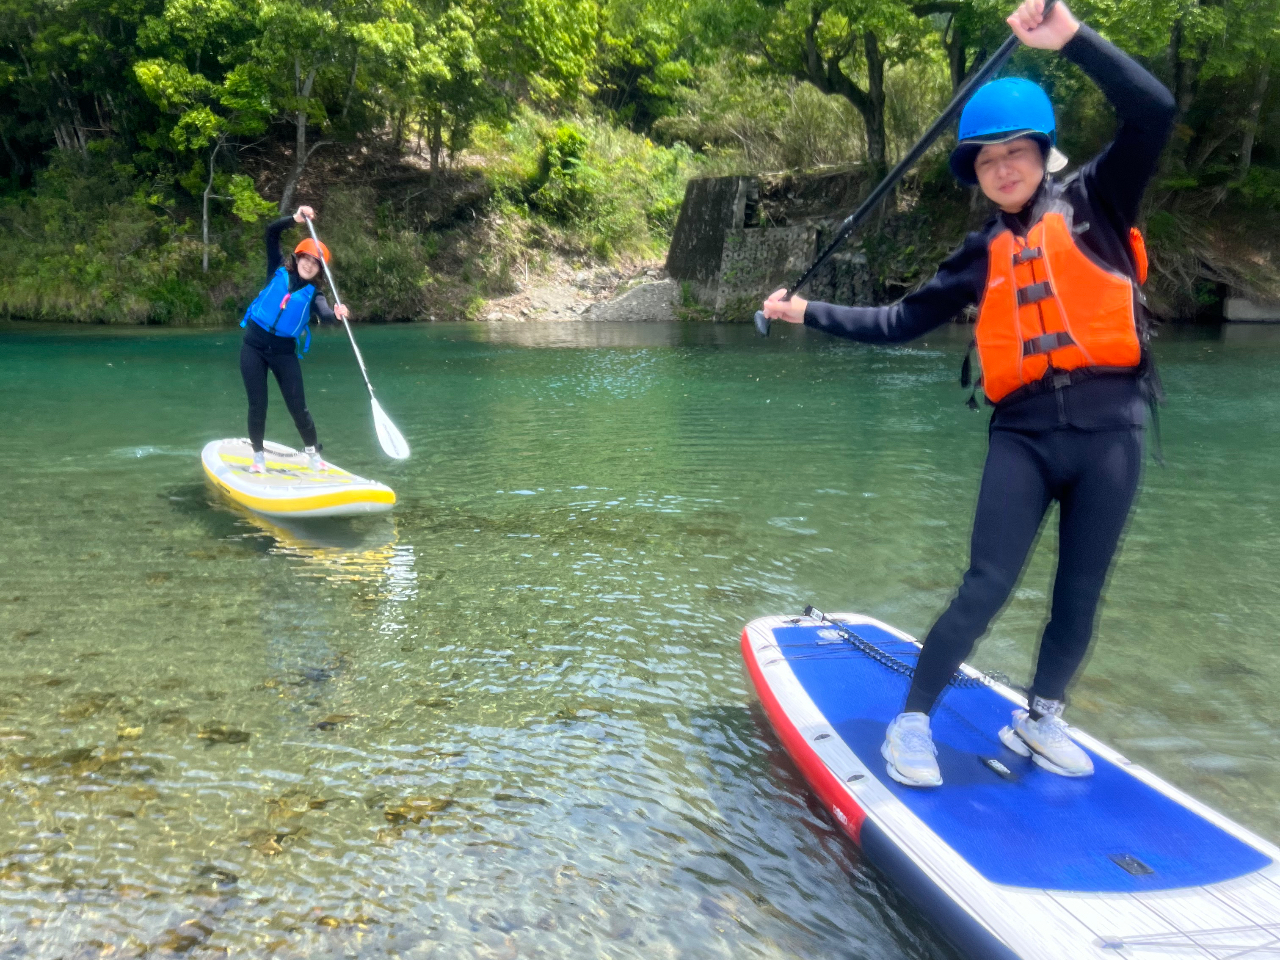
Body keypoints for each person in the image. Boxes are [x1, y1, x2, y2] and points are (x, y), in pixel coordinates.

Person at [760, 0, 1175, 787]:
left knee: (1080, 596)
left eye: (1017, 152)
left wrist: (1072, 39)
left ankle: (1041, 715)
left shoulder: (1099, 202)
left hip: (1113, 431)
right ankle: (911, 721)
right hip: (1022, 437)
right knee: (986, 584)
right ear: (975, 176)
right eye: (987, 160)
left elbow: (1153, 109)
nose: (1004, 167)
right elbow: (897, 321)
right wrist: (805, 309)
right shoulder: (979, 253)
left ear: (1044, 155)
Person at [239, 205, 350, 474]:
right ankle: (258, 458)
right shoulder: (276, 268)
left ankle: (313, 455)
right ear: (297, 257)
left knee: (298, 407)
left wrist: (338, 314)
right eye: (306, 259)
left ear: (319, 270)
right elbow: (270, 232)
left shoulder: (316, 295)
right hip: (253, 345)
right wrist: (295, 219)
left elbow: (326, 315)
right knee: (258, 404)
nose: (309, 265)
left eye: (315, 263)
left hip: (283, 352)